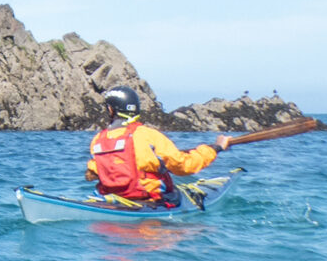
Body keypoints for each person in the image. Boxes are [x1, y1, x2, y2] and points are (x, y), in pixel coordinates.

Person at [87, 86, 231, 205]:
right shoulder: (149, 135)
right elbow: (184, 166)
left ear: (111, 110)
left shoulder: (98, 139)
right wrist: (215, 148)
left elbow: (93, 172)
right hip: (148, 204)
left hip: (112, 201)